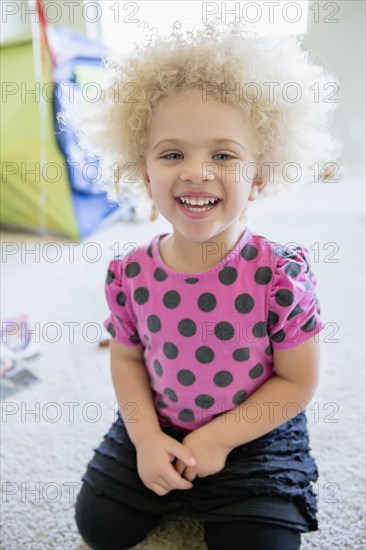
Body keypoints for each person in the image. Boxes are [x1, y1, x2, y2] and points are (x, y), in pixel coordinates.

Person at [73, 20, 339, 550]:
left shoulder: (279, 275)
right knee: (100, 527)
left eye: (223, 155)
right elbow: (128, 360)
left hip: (254, 431)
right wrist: (148, 440)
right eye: (173, 154)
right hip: (160, 420)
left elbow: (295, 384)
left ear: (259, 177)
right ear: (145, 175)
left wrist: (217, 440)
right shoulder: (130, 273)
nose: (197, 171)